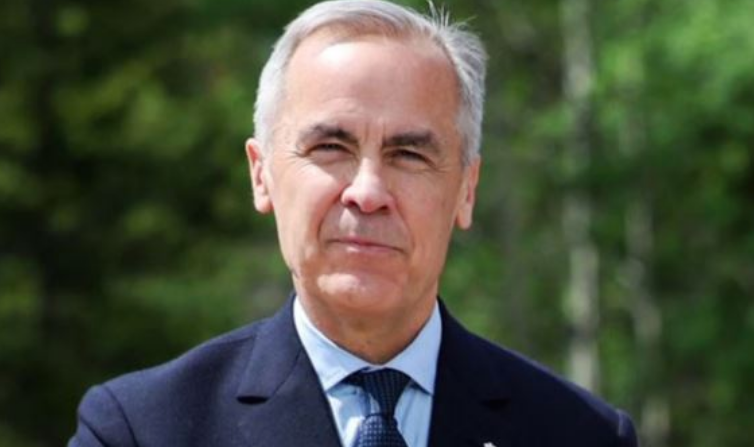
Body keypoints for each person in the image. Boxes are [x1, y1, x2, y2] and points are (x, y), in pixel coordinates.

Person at [68, 1, 638, 446]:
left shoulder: (581, 435)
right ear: (262, 174)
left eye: (408, 155)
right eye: (331, 147)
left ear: (466, 190)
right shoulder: (142, 431)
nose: (367, 192)